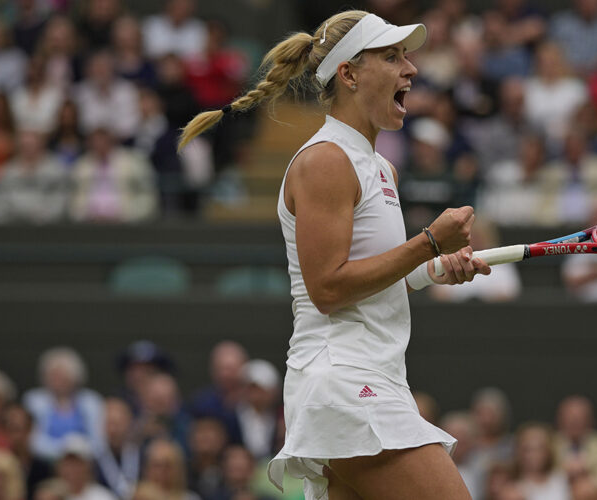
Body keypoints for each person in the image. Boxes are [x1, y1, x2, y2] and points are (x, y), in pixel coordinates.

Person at [179, 9, 490, 500]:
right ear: (348, 73)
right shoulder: (325, 159)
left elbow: (372, 272)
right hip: (343, 380)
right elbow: (327, 287)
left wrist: (432, 268)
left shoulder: (380, 167)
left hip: (367, 376)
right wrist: (427, 241)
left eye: (406, 57)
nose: (410, 70)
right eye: (392, 57)